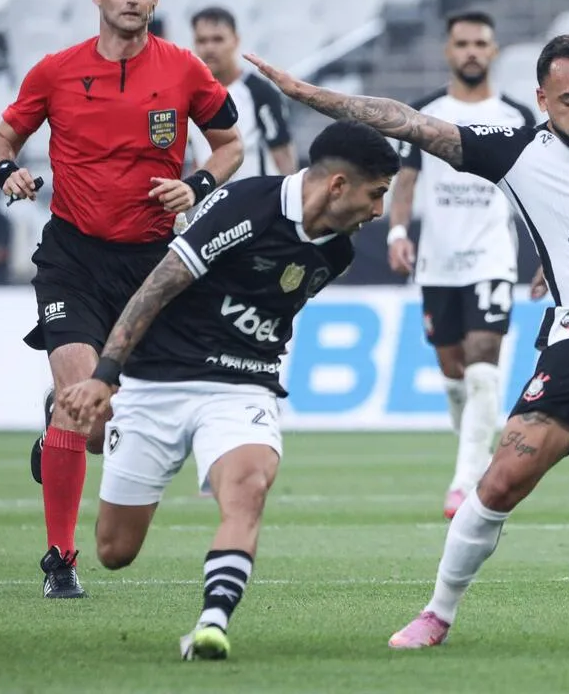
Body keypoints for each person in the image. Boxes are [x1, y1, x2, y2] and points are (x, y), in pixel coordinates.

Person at [246, 33, 569, 650]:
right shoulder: (516, 153)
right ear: (542, 100)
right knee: (500, 484)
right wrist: (309, 97)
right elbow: (408, 124)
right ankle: (437, 613)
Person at [56, 120, 398, 660]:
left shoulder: (339, 252)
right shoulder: (247, 205)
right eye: (375, 194)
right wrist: (105, 375)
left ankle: (212, 623)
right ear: (337, 186)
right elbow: (157, 286)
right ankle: (97, 417)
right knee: (114, 550)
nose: (379, 211)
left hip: (243, 386)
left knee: (248, 490)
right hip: (155, 383)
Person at [0, 0, 243, 599]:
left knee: (99, 427)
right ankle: (60, 559)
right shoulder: (56, 72)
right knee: (80, 407)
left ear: (155, 0)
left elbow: (231, 144)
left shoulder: (183, 71)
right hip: (71, 256)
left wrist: (200, 184)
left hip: (153, 263)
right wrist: (6, 172)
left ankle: (59, 432)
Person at [386, 11, 536, 519]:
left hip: (492, 258)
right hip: (438, 264)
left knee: (481, 370)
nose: (472, 51)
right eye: (463, 43)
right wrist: (398, 230)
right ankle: (475, 452)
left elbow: (540, 192)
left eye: (481, 43)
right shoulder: (426, 112)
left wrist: (547, 257)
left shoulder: (517, 117)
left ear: (493, 52)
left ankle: (466, 480)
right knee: (455, 378)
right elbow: (406, 179)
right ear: (449, 52)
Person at [187, 7, 297, 180]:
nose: (209, 48)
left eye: (218, 39)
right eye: (202, 41)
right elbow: (197, 156)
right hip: (211, 204)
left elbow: (282, 154)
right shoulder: (189, 95)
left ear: (235, 40)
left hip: (256, 202)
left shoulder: (259, 92)